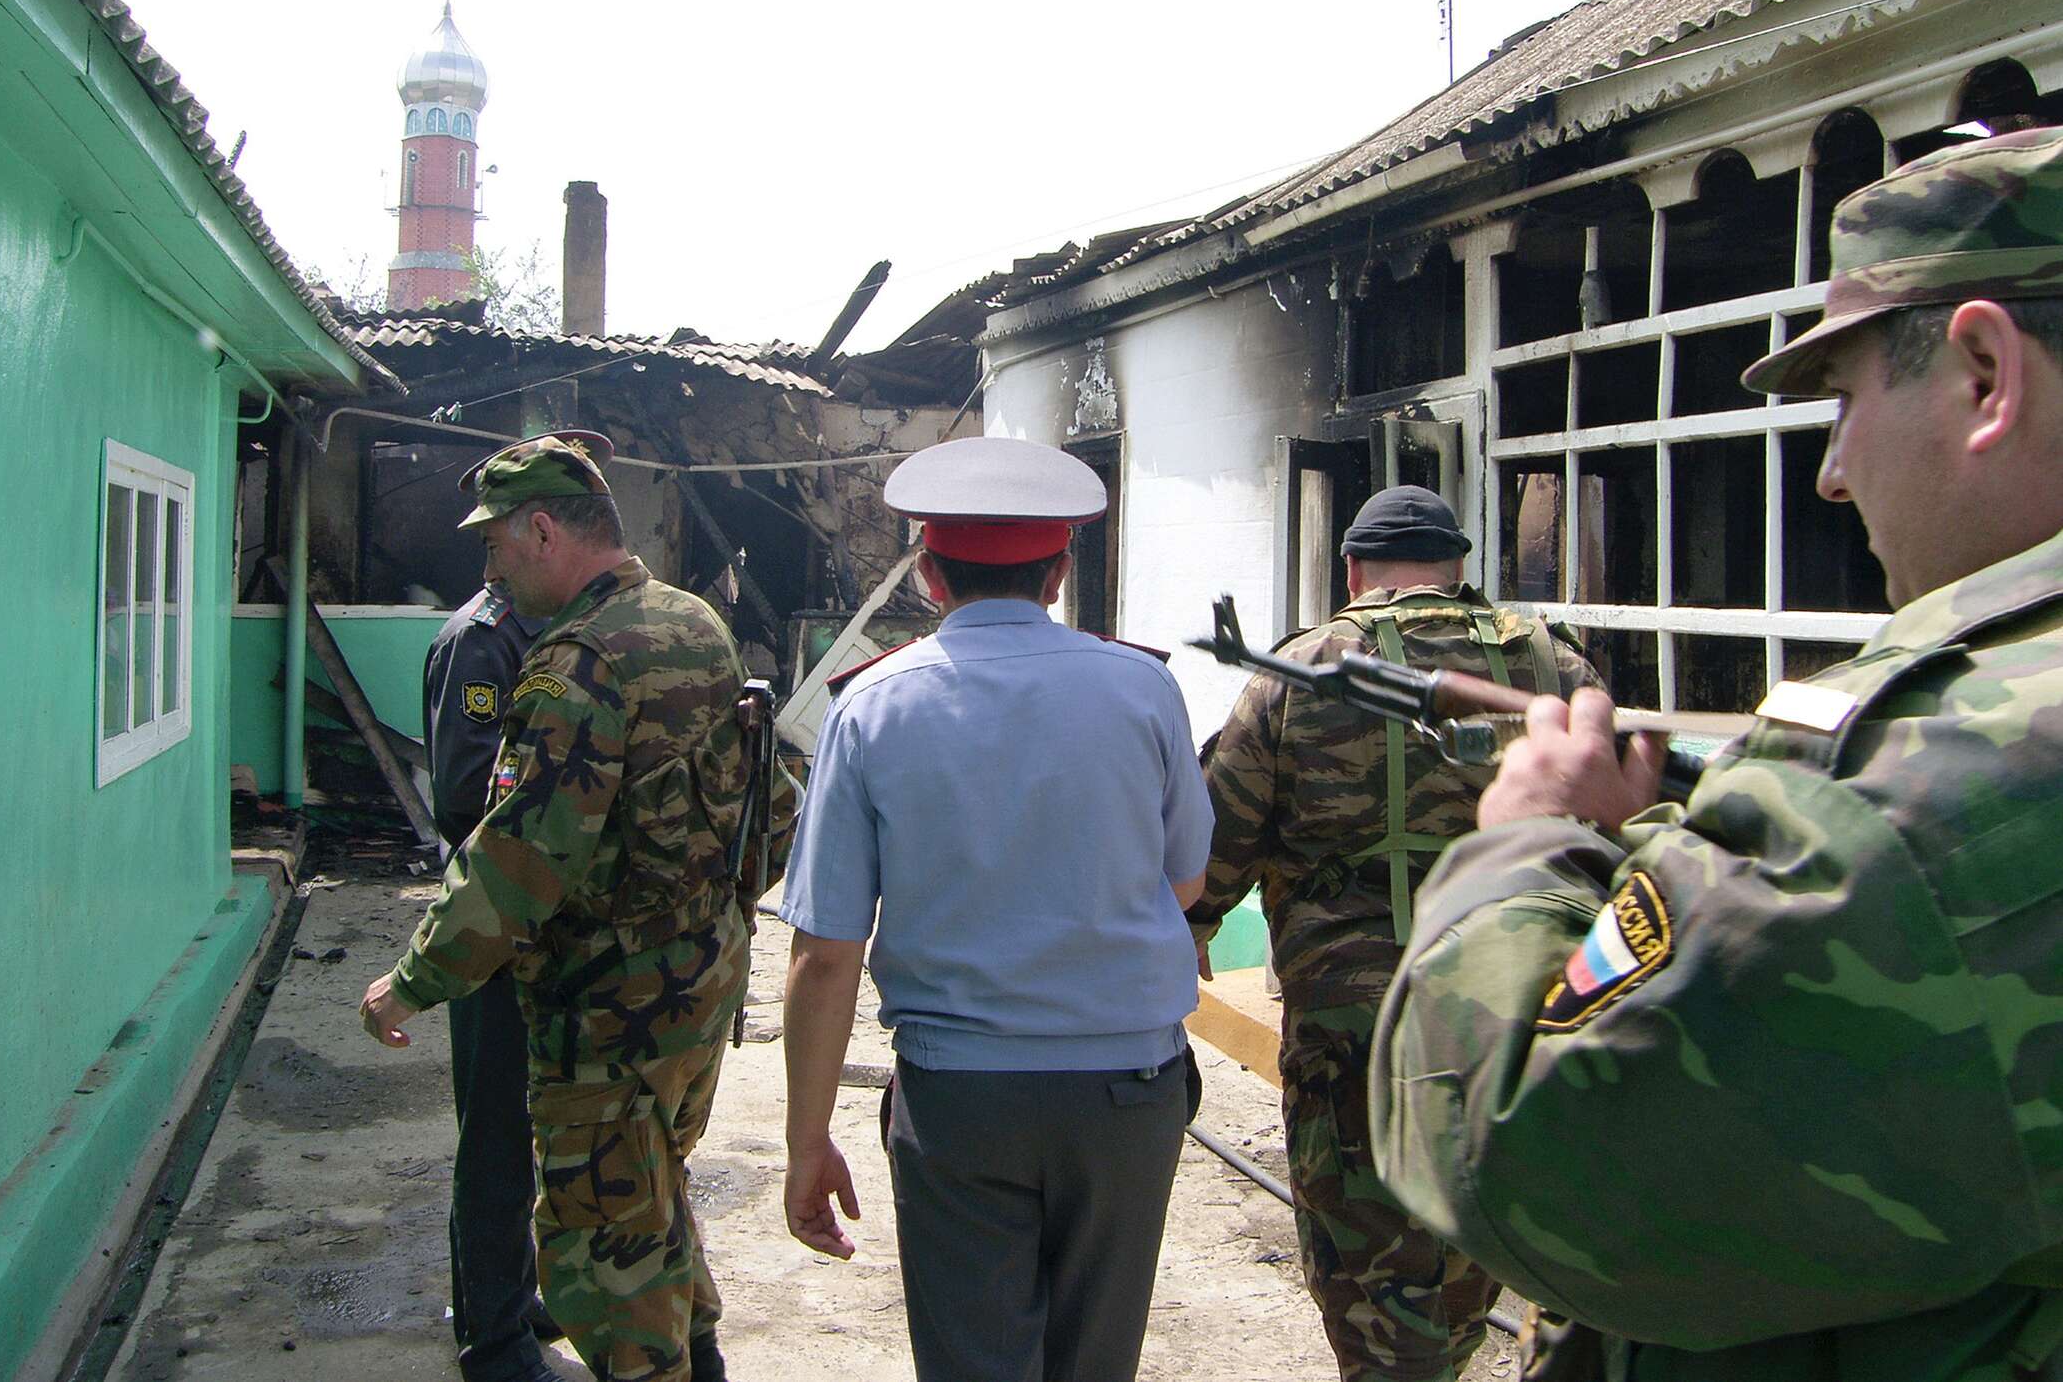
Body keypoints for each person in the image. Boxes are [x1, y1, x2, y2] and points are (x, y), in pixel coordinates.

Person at [1369, 125, 2063, 1382]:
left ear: (1980, 370)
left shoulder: (1928, 792)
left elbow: (1509, 1160)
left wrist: (1525, 843)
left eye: (1846, 401)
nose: (1834, 475)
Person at [362, 431, 795, 1382]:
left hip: (611, 1006)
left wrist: (412, 981)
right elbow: (762, 804)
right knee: (654, 1200)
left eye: (495, 545)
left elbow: (522, 857)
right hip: (701, 983)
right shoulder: (692, 621)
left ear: (543, 530)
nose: (490, 567)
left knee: (602, 1252)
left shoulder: (576, 661)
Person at [778, 436, 1212, 1382]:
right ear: (1059, 573)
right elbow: (1186, 887)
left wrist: (806, 1141)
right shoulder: (1145, 690)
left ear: (929, 576)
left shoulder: (870, 708)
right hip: (1126, 1090)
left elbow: (824, 952)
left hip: (961, 1101)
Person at [1190, 485, 1602, 1382]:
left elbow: (1212, 857)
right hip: (1524, 1013)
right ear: (1459, 571)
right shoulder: (1554, 665)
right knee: (1485, 1245)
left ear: (1353, 571)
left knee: (1371, 1275)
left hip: (1355, 1025)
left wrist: (1180, 947)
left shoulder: (1299, 671)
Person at [424, 565, 553, 1382]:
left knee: (528, 1125)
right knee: (497, 1138)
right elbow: (467, 797)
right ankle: (492, 1337)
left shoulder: (540, 629)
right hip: (491, 920)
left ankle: (514, 1295)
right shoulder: (484, 639)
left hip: (532, 922)